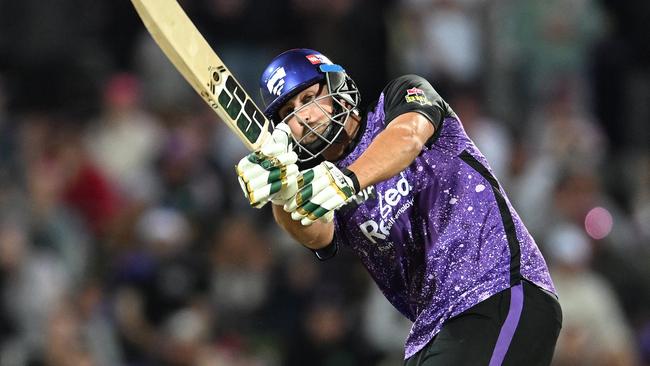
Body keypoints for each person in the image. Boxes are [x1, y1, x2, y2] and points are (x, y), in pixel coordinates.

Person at [235, 48, 562, 365]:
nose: (304, 115)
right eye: (289, 112)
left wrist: (346, 181)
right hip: (431, 330)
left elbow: (408, 136)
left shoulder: (401, 94)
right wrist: (283, 195)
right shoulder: (320, 180)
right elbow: (315, 234)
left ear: (337, 86)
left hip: (498, 288)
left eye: (308, 98)